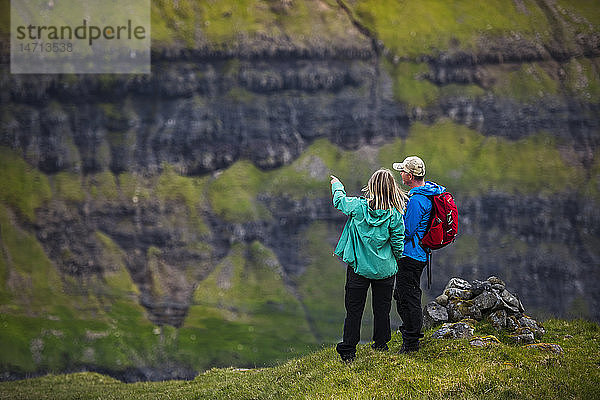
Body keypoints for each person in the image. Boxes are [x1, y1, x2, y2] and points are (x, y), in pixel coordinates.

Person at [331, 168, 407, 362]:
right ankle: (381, 345)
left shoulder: (358, 207)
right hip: (385, 270)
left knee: (354, 310)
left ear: (371, 186)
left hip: (359, 269)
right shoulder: (396, 214)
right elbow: (398, 244)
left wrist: (337, 185)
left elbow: (339, 201)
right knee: (382, 310)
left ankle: (348, 351)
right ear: (392, 188)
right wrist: (396, 259)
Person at [392, 156, 446, 353]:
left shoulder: (416, 200)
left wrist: (397, 219)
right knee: (404, 294)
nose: (401, 174)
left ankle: (412, 341)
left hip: (411, 256)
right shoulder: (427, 193)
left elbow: (407, 231)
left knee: (408, 296)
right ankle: (410, 335)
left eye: (403, 171)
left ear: (410, 175)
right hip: (419, 254)